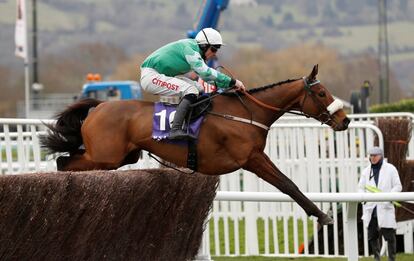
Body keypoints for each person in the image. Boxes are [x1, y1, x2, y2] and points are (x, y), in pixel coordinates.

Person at [140, 28, 246, 140]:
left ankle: (191, 121)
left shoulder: (195, 51)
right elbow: (206, 72)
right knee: (190, 90)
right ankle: (175, 129)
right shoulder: (190, 50)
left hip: (162, 75)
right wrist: (233, 81)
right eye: (214, 49)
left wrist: (230, 85)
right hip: (151, 76)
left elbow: (206, 78)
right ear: (204, 46)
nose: (215, 54)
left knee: (198, 88)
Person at [358, 146, 402, 261]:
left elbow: (398, 186)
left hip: (385, 206)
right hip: (371, 209)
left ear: (381, 156)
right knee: (372, 236)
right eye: (371, 156)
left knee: (390, 236)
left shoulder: (391, 169)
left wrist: (388, 196)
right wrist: (365, 199)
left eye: (375, 155)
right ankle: (377, 258)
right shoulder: (366, 171)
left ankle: (392, 258)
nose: (372, 158)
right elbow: (360, 188)